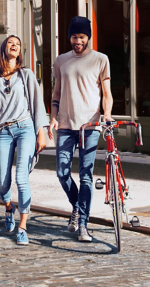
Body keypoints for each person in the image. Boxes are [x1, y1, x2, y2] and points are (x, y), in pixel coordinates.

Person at [47, 16, 113, 242]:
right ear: (69, 37)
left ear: (88, 37)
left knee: (86, 176)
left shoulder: (100, 59)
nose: (77, 41)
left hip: (90, 126)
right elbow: (56, 94)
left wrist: (107, 115)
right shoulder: (61, 61)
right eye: (74, 36)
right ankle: (76, 206)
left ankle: (83, 224)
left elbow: (107, 94)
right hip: (65, 125)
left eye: (81, 37)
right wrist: (53, 118)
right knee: (62, 173)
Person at [0, 36, 48, 245]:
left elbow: (37, 104)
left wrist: (41, 132)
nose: (14, 45)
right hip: (3, 131)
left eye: (17, 43)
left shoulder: (26, 75)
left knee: (21, 177)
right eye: (10, 42)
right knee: (2, 182)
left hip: (25, 127)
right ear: (4, 48)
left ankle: (23, 226)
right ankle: (9, 207)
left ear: (19, 51)